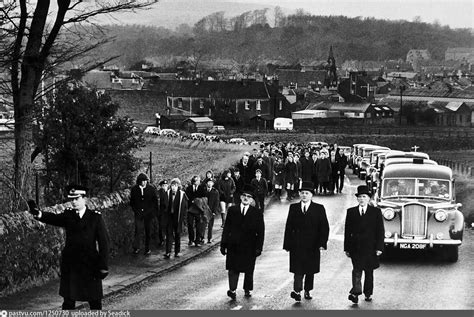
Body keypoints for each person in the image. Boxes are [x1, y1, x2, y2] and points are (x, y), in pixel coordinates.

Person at [27, 185, 109, 310]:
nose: (74, 202)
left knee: (95, 302)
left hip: (90, 265)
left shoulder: (95, 217)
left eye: (77, 199)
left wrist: (103, 266)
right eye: (72, 199)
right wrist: (38, 213)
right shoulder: (68, 215)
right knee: (68, 302)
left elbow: (104, 243)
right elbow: (53, 218)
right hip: (71, 265)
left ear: (85, 199)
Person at [283, 181, 329, 302]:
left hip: (312, 245)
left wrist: (322, 243)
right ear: (299, 194)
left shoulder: (319, 208)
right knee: (298, 269)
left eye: (307, 193)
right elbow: (289, 226)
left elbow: (324, 227)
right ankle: (297, 291)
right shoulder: (294, 208)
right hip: (297, 244)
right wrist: (287, 244)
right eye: (302, 193)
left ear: (311, 195)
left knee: (310, 270)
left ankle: (307, 290)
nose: (304, 195)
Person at [221, 184, 265, 300]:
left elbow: (261, 232)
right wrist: (223, 244)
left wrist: (259, 247)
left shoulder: (257, 213)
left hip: (249, 245)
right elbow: (227, 229)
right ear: (240, 197)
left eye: (249, 197)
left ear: (252, 200)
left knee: (249, 269)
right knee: (233, 269)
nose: (246, 198)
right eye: (244, 196)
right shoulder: (232, 210)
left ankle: (247, 289)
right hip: (233, 245)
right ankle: (232, 290)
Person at [344, 185, 384, 304]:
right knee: (357, 270)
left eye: (364, 197)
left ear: (368, 198)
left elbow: (380, 231)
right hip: (356, 247)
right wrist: (347, 248)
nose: (362, 199)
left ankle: (368, 293)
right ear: (357, 199)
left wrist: (379, 247)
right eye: (360, 197)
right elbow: (347, 231)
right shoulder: (351, 212)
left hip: (371, 247)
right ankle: (356, 292)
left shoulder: (376, 212)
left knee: (369, 271)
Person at [130, 173, 159, 255]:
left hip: (148, 214)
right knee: (138, 230)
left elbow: (155, 202)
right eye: (142, 181)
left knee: (148, 231)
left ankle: (147, 248)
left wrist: (153, 213)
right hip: (138, 214)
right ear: (139, 181)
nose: (144, 183)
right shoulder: (134, 189)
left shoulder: (151, 189)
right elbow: (132, 202)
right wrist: (136, 210)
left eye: (145, 181)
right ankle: (136, 247)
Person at [162, 178, 188, 258]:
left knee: (177, 234)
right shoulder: (167, 193)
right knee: (169, 234)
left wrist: (184, 219)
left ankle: (177, 251)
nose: (174, 187)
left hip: (178, 217)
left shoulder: (182, 194)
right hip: (170, 217)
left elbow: (185, 207)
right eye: (172, 185)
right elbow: (164, 205)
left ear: (178, 186)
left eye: (176, 186)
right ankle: (168, 252)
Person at [185, 175, 205, 246]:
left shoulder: (202, 188)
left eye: (199, 181)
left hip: (198, 209)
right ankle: (191, 240)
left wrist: (198, 201)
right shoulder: (189, 188)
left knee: (198, 225)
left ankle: (197, 241)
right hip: (190, 209)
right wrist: (192, 201)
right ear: (194, 181)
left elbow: (203, 197)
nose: (199, 182)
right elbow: (186, 198)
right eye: (197, 181)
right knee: (190, 224)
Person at [203, 177, 221, 242]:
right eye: (208, 183)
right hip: (204, 210)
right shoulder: (204, 191)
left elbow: (217, 202)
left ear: (213, 184)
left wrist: (214, 211)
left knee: (210, 226)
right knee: (203, 225)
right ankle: (202, 238)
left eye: (211, 183)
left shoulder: (215, 192)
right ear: (206, 183)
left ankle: (209, 238)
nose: (209, 184)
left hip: (211, 210)